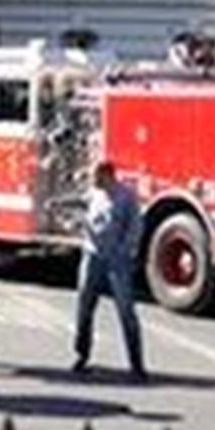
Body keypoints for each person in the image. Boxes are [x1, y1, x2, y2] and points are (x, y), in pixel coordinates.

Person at [72, 161, 146, 381]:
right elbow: (82, 202)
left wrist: (124, 250)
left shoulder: (126, 196)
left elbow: (136, 226)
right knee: (84, 305)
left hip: (116, 261)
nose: (93, 181)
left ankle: (136, 363)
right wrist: (60, 205)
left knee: (126, 311)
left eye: (96, 177)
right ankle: (81, 354)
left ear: (108, 175)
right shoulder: (96, 193)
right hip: (92, 255)